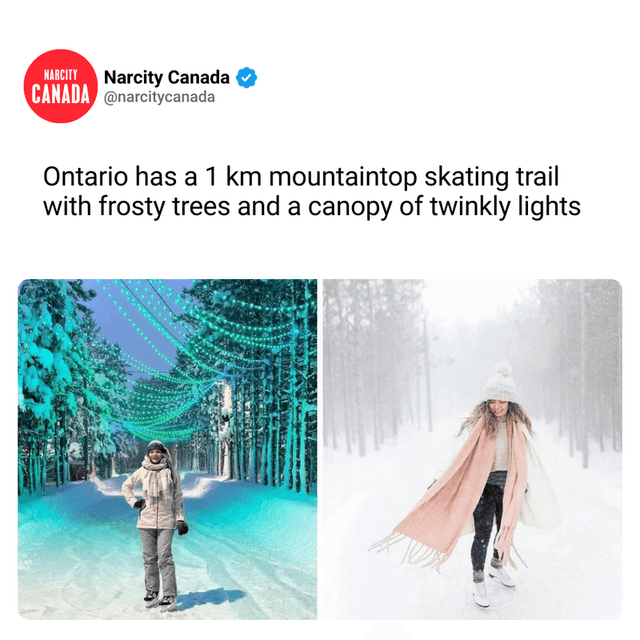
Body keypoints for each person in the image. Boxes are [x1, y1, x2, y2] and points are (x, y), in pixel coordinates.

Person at [371, 363, 560, 609]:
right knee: (483, 534)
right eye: (492, 401)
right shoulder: (478, 425)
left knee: (505, 531)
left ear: (510, 401)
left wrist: (526, 483)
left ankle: (496, 566)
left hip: (509, 489)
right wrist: (439, 479)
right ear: (486, 402)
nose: (497, 406)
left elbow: (529, 460)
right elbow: (455, 455)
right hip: (482, 489)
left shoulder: (518, 426)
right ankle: (478, 578)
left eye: (502, 401)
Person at [122, 440, 189, 612]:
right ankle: (152, 592)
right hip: (146, 522)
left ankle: (169, 596)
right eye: (151, 452)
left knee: (165, 557)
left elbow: (178, 497)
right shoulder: (143, 470)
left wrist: (180, 519)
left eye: (157, 452)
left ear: (163, 453)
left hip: (167, 521)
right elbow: (126, 486)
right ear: (148, 454)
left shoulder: (171, 472)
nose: (154, 455)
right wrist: (134, 503)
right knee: (149, 558)